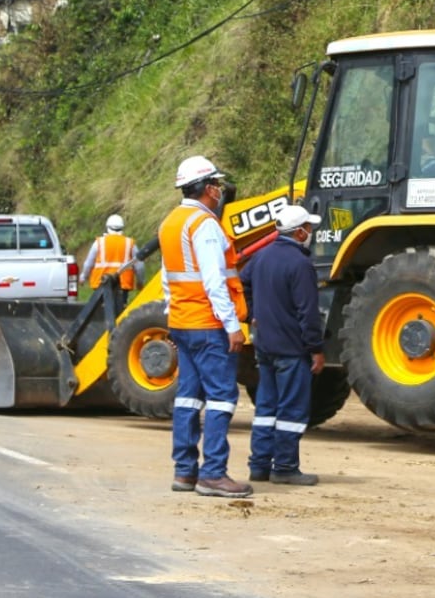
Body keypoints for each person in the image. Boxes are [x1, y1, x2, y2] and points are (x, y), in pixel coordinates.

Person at [160, 155, 253, 499]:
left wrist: (173, 316)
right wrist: (232, 326)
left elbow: (168, 280)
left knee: (188, 396)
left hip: (183, 322)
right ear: (208, 188)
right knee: (221, 397)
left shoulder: (170, 223)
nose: (220, 190)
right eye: (216, 184)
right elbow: (215, 282)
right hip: (208, 324)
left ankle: (185, 471)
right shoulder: (205, 225)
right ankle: (213, 473)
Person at [240, 204, 326, 487]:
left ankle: (259, 465)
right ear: (299, 232)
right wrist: (316, 348)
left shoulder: (261, 257)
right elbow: (308, 312)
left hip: (265, 346)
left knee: (266, 407)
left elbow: (241, 284)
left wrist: (251, 314)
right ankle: (286, 467)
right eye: (309, 227)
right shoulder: (300, 264)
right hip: (291, 349)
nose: (311, 232)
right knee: (291, 411)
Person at [82, 213, 138, 294]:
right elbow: (139, 266)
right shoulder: (130, 243)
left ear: (107, 227)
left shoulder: (99, 242)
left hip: (101, 282)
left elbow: (88, 264)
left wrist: (83, 277)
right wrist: (140, 282)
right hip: (123, 284)